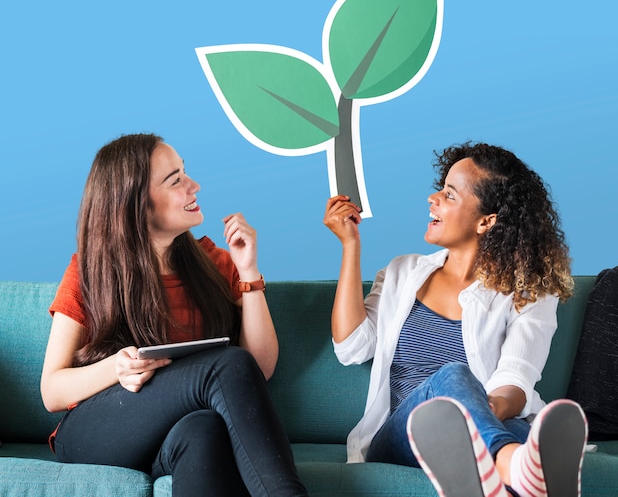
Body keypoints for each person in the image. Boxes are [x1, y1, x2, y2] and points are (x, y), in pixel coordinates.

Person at [40, 133, 308, 497]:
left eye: (186, 173)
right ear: (137, 205)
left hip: (173, 436)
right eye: (175, 180)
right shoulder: (89, 273)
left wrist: (248, 272)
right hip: (99, 431)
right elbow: (52, 392)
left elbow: (258, 369)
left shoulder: (216, 264)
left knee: (205, 428)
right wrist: (115, 368)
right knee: (227, 364)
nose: (194, 186)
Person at [323, 142, 588, 497]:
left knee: (523, 442)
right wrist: (350, 246)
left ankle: (511, 472)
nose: (433, 199)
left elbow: (516, 378)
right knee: (452, 378)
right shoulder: (402, 273)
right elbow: (351, 348)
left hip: (486, 424)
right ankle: (511, 464)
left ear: (486, 221)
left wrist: (477, 409)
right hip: (404, 434)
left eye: (449, 195)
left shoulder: (529, 291)